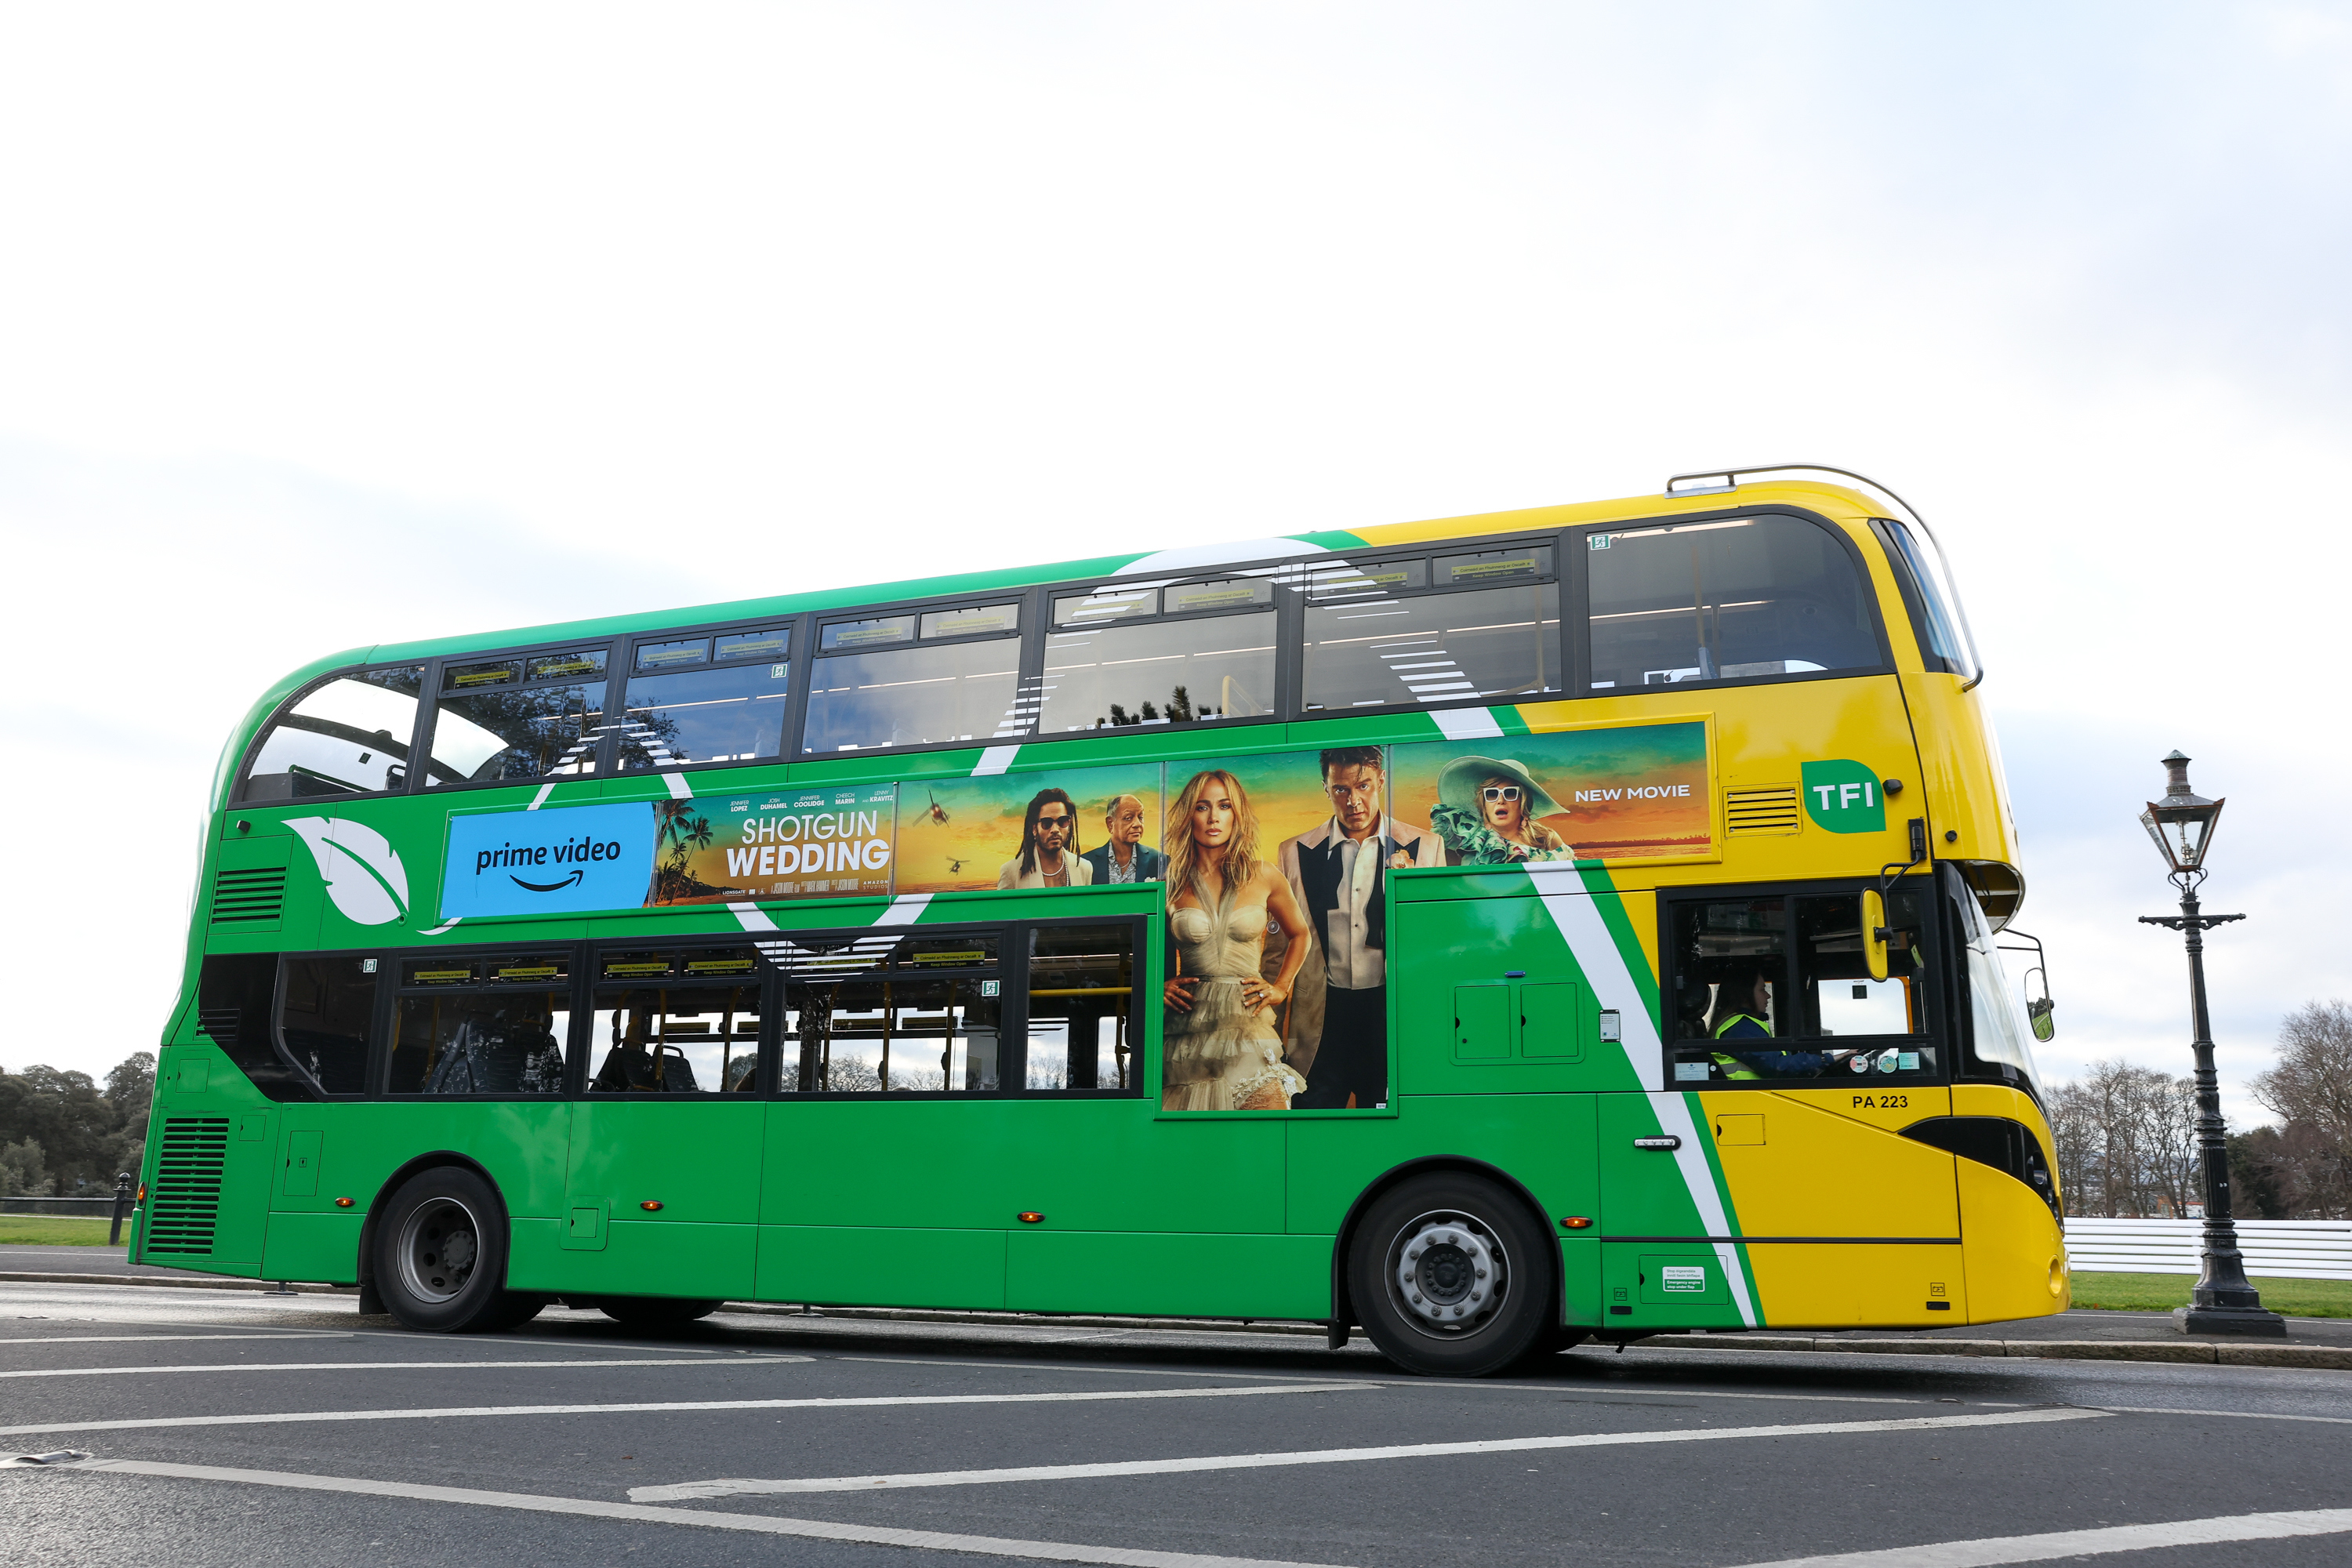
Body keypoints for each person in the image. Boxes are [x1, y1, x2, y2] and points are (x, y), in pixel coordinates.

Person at [1276, 746, 1442, 1110]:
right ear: (1326, 788)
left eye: (1363, 786)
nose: (1354, 801)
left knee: (1388, 1130)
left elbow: (1435, 946)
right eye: (1341, 790)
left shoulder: (1426, 847)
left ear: (1381, 782)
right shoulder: (1293, 852)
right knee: (1311, 1129)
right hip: (1320, 1019)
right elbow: (1279, 950)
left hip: (1388, 1014)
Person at [1161, 768, 1314, 1111]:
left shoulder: (1264, 875)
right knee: (1193, 1143)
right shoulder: (1169, 884)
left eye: (1224, 806)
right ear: (1189, 815)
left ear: (1237, 815)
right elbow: (1139, 948)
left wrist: (1281, 987)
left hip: (1248, 1020)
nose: (1214, 817)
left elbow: (1300, 934)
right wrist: (1157, 986)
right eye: (1202, 807)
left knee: (1267, 1132)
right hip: (1187, 1028)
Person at [1431, 755, 1576, 865]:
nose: (1501, 800)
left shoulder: (1546, 838)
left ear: (1523, 801)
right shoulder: (1463, 841)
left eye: (1510, 793)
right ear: (1484, 805)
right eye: (1492, 794)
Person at [1704, 965, 1844, 1079]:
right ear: (1744, 995)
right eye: (1762, 990)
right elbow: (1778, 1066)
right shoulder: (1741, 1027)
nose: (1768, 996)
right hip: (1750, 1102)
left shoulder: (1739, 1025)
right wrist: (1827, 1059)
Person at [996, 787, 1094, 889]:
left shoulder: (1084, 868)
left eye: (1062, 821)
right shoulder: (1011, 872)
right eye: (1047, 823)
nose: (1055, 829)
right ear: (1034, 828)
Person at [1080, 793, 1165, 884]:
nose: (1137, 824)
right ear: (1110, 824)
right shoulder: (1086, 863)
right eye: (1128, 818)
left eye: (1140, 817)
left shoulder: (1159, 861)